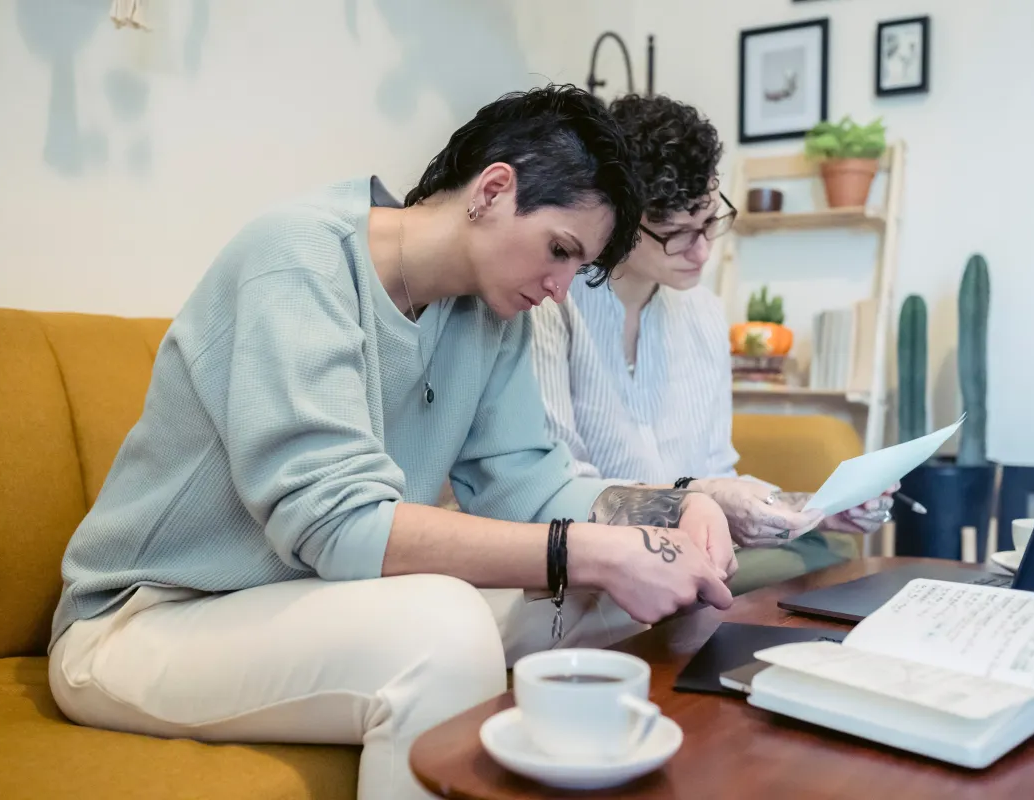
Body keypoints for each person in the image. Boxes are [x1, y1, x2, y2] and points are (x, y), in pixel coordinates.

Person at [47, 85, 740, 800]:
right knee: (443, 629)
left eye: (578, 267)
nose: (561, 288)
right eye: (559, 250)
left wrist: (676, 507)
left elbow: (534, 491)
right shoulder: (298, 257)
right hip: (143, 624)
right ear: (493, 189)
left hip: (317, 602)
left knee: (621, 596)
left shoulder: (493, 318)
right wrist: (586, 549)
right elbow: (336, 525)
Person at [530, 93, 894, 594]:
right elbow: (558, 492)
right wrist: (703, 504)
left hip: (701, 550)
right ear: (615, 221)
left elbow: (718, 473)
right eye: (676, 233)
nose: (701, 250)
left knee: (826, 553)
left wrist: (813, 508)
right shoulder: (551, 303)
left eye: (709, 221)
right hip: (606, 560)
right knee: (801, 575)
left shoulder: (702, 312)